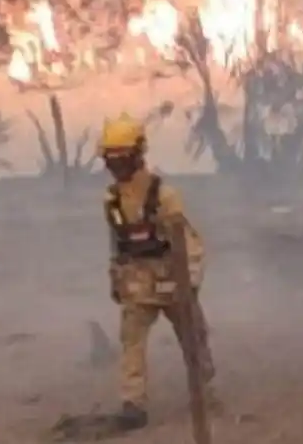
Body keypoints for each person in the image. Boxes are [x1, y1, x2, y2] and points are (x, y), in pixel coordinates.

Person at [98, 114, 216, 430]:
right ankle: (132, 404)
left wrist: (189, 282)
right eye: (111, 158)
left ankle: (204, 389)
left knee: (193, 337)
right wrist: (116, 278)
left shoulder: (165, 195)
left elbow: (187, 240)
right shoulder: (111, 199)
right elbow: (118, 243)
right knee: (131, 343)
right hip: (136, 280)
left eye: (122, 157)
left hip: (172, 278)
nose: (117, 164)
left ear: (138, 154)